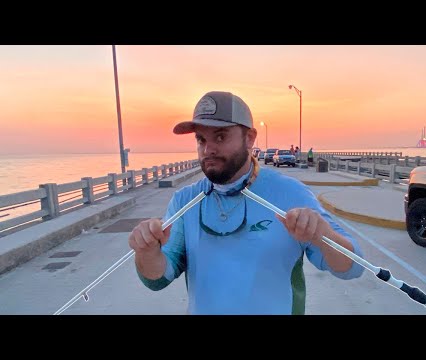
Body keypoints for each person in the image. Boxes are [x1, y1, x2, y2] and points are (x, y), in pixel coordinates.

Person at [128, 90, 365, 315]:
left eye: (220, 136)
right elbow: (158, 278)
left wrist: (323, 236)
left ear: (249, 138)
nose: (208, 149)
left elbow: (352, 267)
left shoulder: (290, 193)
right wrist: (147, 251)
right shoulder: (185, 200)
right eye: (201, 139)